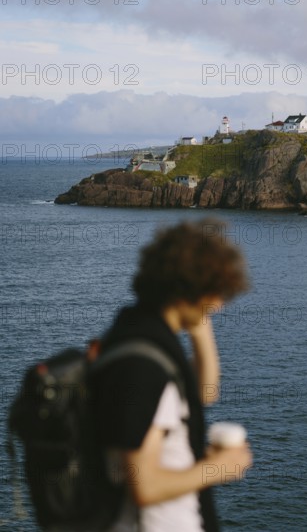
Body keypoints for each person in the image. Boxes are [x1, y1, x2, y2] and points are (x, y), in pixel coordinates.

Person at [93, 219, 253, 532]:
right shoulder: (143, 365)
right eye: (215, 293)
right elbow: (145, 485)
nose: (219, 306)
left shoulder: (136, 337)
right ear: (188, 291)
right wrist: (218, 468)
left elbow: (204, 393)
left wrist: (199, 324)